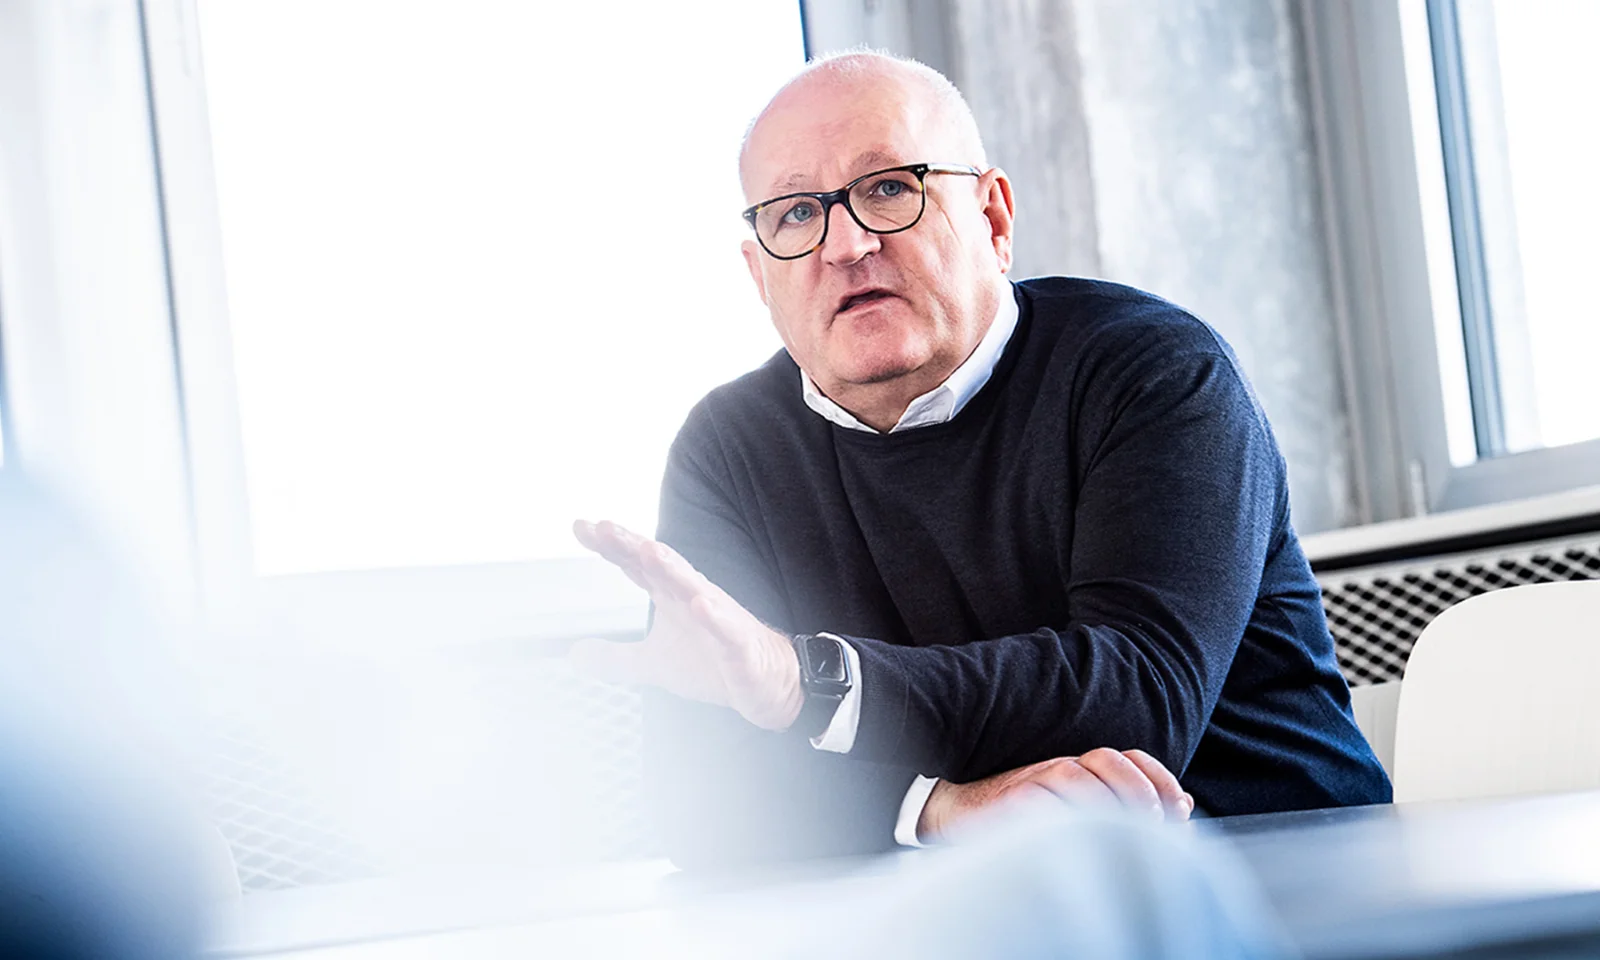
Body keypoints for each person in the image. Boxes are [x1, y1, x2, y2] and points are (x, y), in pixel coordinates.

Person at [572, 51, 1390, 868]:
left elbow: (1139, 701)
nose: (846, 245)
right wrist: (938, 810)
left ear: (994, 218)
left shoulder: (1151, 370)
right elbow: (701, 800)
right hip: (967, 909)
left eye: (888, 188)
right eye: (793, 214)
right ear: (759, 275)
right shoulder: (727, 450)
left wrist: (807, 686)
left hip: (1274, 874)